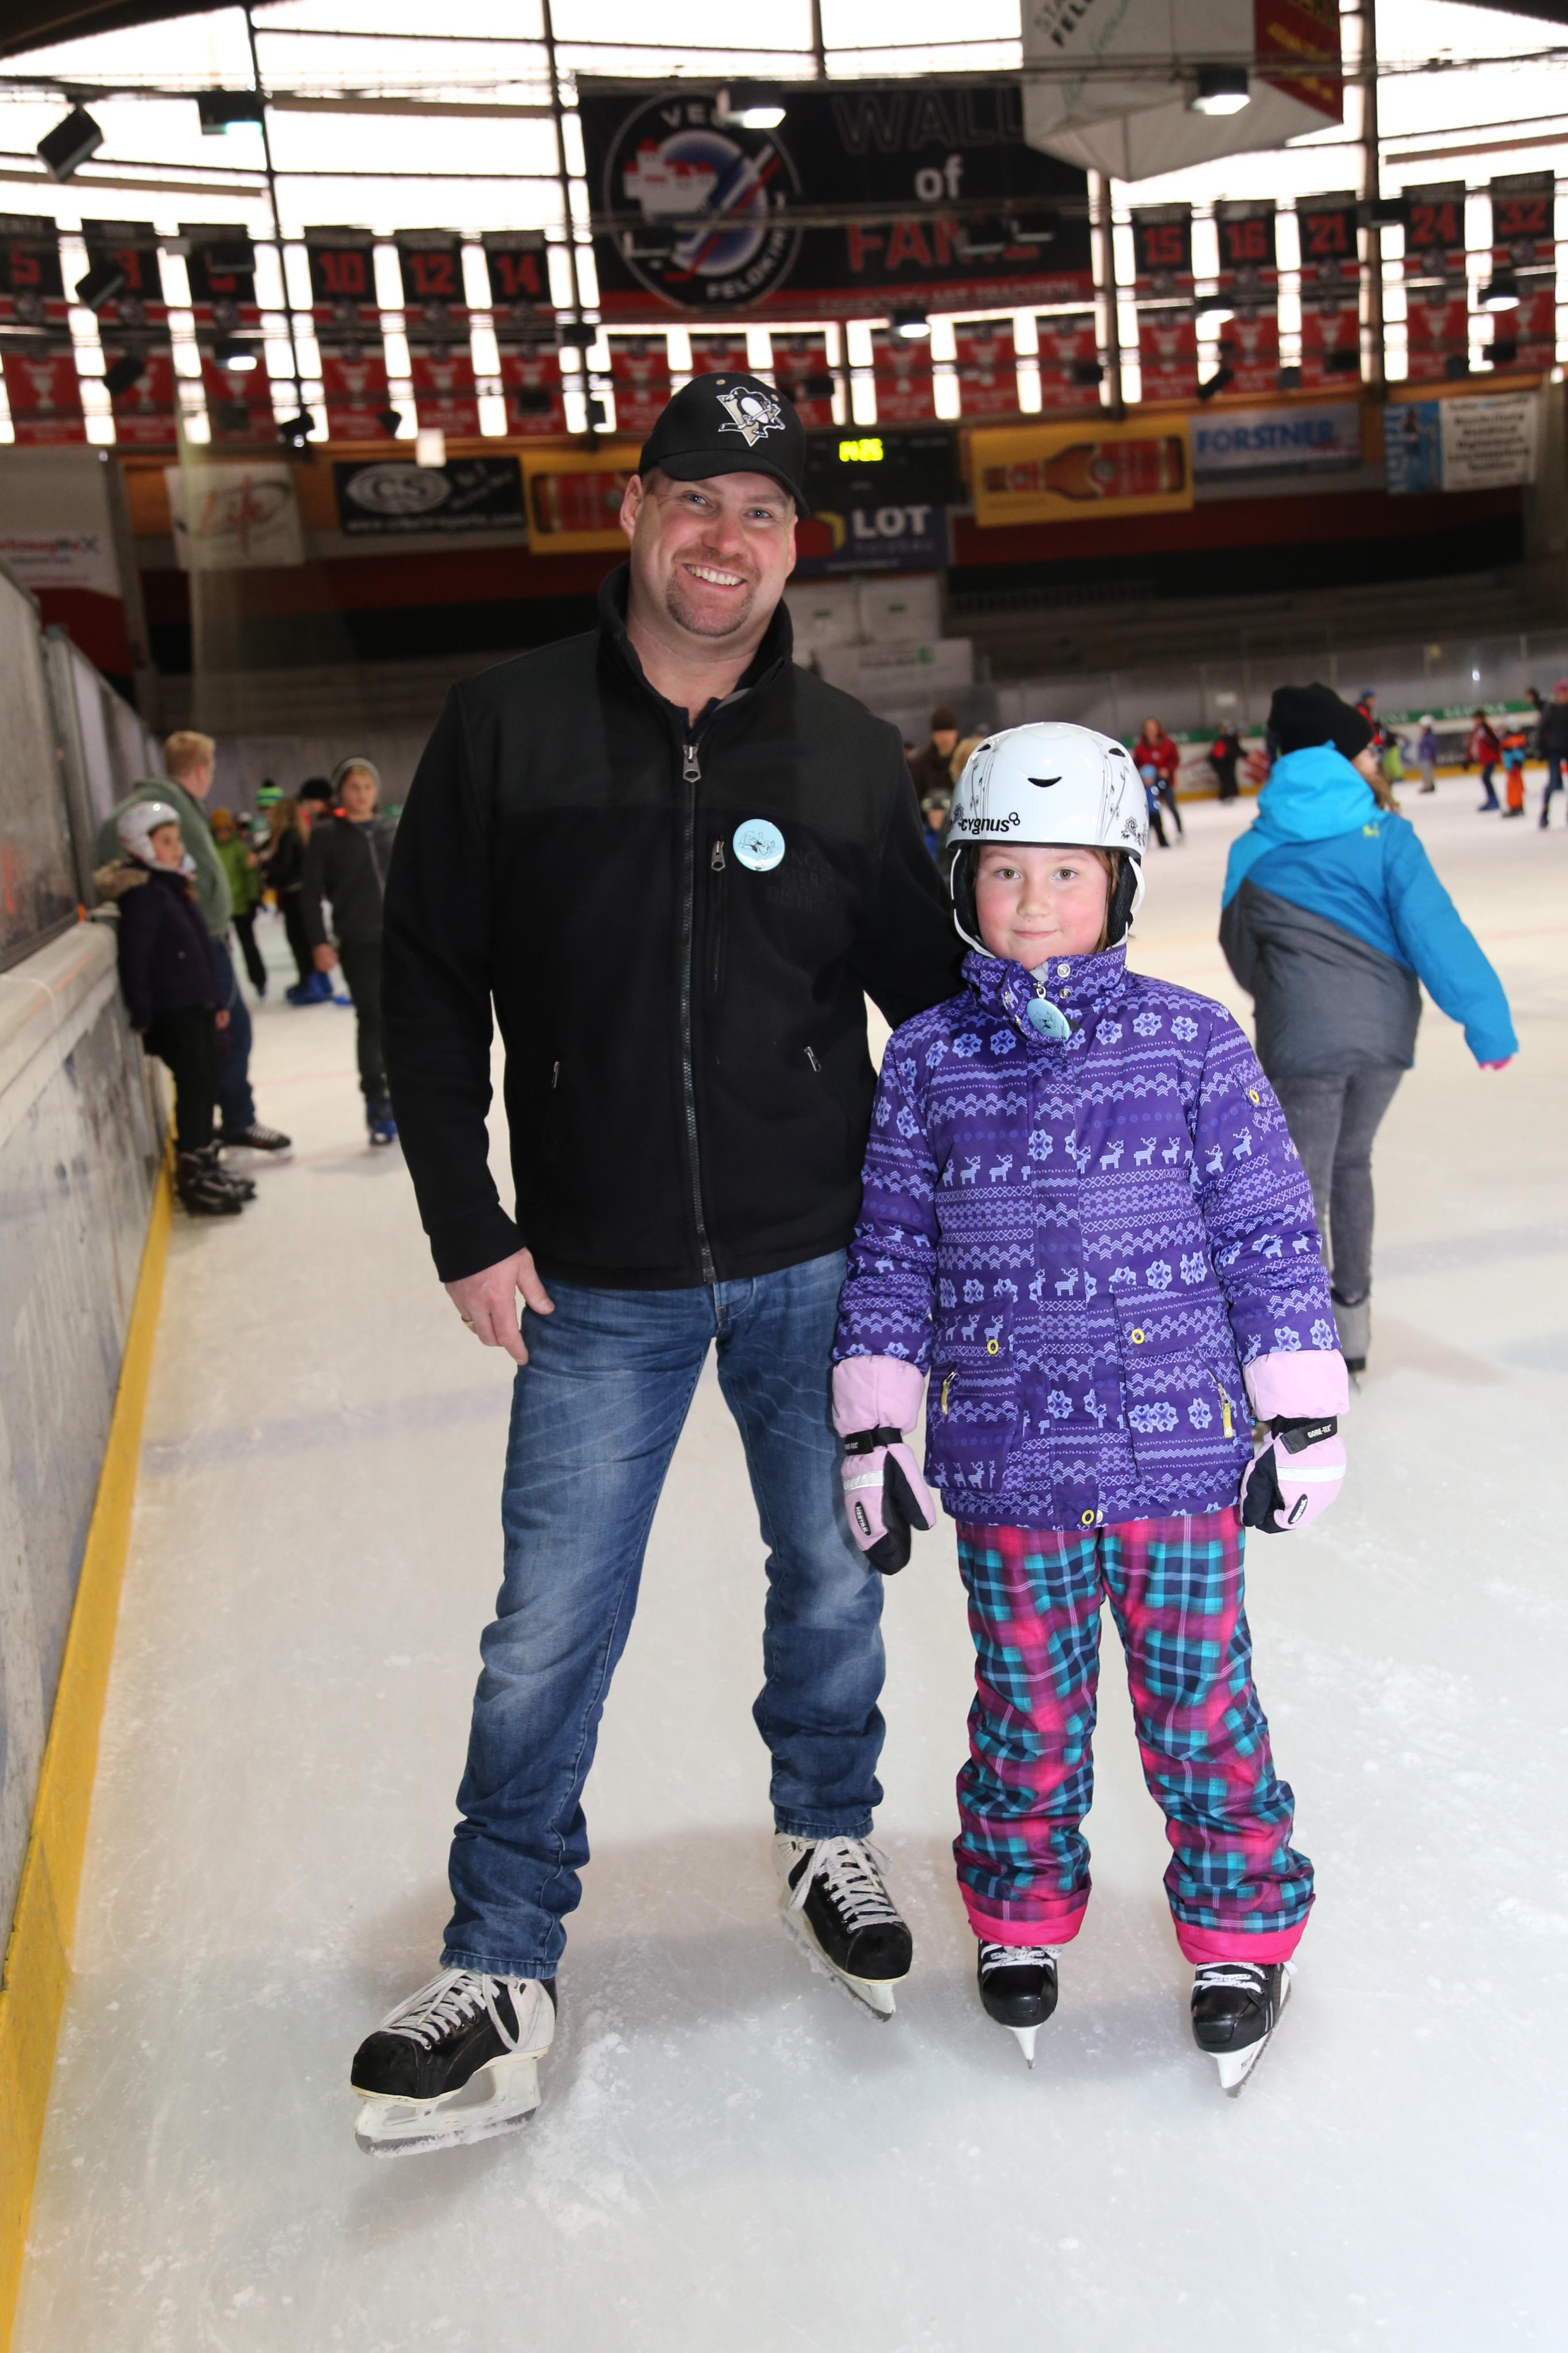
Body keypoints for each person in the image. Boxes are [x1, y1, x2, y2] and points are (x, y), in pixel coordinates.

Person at [350, 371, 961, 2157]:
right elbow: (426, 983)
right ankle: (499, 1953)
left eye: (762, 513)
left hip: (819, 1259)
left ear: (795, 546)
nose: (725, 538)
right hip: (595, 1277)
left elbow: (927, 1000)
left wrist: (1044, 1134)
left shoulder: (843, 750)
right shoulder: (507, 725)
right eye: (696, 497)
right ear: (632, 509)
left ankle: (825, 1830)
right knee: (549, 1623)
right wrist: (466, 1217)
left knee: (834, 1572)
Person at [832, 721, 1345, 2093]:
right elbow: (893, 1252)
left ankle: (1241, 1932)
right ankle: (1019, 1910)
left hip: (1178, 1455)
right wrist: (876, 1429)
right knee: (1028, 1709)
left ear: (1119, 882)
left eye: (1067, 872)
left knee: (1202, 1708)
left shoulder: (1193, 1041)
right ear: (964, 887)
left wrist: (1298, 1409)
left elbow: (1267, 1231)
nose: (1035, 902)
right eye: (1006, 873)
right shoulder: (927, 1060)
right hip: (1008, 1461)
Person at [1220, 684, 1515, 1378]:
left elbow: (1240, 950)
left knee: (1300, 1189)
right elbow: (1436, 932)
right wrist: (1487, 1022)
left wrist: (1286, 996)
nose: (1378, 759)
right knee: (1352, 1163)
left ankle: (1306, 1350)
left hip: (1299, 1041)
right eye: (1369, 750)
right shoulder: (1389, 837)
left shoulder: (1252, 849)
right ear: (1341, 756)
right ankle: (1351, 1328)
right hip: (1385, 1037)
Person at [96, 732, 292, 1162]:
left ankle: (224, 1125)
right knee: (224, 1039)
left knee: (224, 1039)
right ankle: (233, 1123)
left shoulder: (180, 804)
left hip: (199, 942)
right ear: (202, 769)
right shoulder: (158, 807)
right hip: (190, 950)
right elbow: (123, 851)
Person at [98, 800, 250, 1217]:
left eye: (176, 840)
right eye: (165, 841)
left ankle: (205, 1160)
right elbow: (136, 958)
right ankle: (193, 1173)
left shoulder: (172, 886)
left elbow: (199, 951)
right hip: (174, 1011)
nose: (175, 848)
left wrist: (215, 1002)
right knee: (195, 1088)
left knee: (205, 1084)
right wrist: (144, 1015)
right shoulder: (145, 894)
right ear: (140, 845)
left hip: (196, 1005)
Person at [300, 756, 399, 1145]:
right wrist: (318, 942)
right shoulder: (327, 836)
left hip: (402, 939)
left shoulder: (390, 828)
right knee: (373, 1018)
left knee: (405, 1018)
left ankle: (406, 1091)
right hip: (359, 941)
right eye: (354, 788)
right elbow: (310, 895)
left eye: (368, 787)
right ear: (341, 792)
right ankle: (377, 1099)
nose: (362, 794)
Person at [210, 804, 267, 995]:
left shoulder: (239, 848)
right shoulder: (211, 851)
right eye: (220, 830)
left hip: (242, 905)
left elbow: (249, 874)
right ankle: (227, 986)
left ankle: (259, 979)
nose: (223, 834)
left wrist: (253, 898)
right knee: (223, 950)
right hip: (220, 908)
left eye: (226, 830)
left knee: (249, 945)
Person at [264, 794, 318, 994]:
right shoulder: (299, 834)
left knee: (299, 939)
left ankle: (310, 983)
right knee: (303, 939)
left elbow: (284, 868)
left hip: (294, 895)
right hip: (299, 894)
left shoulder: (289, 835)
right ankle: (312, 981)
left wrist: (266, 864)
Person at [907, 705, 960, 831]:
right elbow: (914, 799)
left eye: (948, 731)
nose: (944, 737)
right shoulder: (920, 764)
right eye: (940, 732)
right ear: (933, 735)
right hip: (928, 828)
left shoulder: (967, 760)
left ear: (955, 733)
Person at [1136, 715, 1183, 842]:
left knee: (1171, 806)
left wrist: (1167, 770)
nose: (1151, 731)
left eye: (1153, 728)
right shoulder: (1140, 748)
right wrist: (1143, 774)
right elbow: (1137, 764)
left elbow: (1175, 760)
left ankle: (1180, 831)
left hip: (1165, 782)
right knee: (1150, 810)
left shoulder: (1168, 744)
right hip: (1148, 785)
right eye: (1148, 729)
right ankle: (1148, 836)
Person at [1535, 678, 1568, 828]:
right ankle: (1545, 812)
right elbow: (1542, 729)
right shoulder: (1551, 709)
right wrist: (1539, 748)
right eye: (1562, 693)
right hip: (1554, 750)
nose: (1564, 696)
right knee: (1553, 782)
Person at [1467, 709, 1500, 811]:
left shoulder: (1486, 729)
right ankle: (1492, 800)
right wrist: (1470, 759)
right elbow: (1475, 746)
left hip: (1491, 758)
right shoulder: (1478, 730)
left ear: (1481, 719)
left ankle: (1494, 801)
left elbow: (1495, 742)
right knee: (1485, 779)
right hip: (1486, 759)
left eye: (1476, 719)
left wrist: (1497, 755)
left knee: (1486, 778)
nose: (1474, 721)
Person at [1500, 718, 1530, 817]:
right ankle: (1516, 806)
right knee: (1512, 787)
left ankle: (1515, 806)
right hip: (1512, 768)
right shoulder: (1510, 740)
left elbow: (1516, 754)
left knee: (1514, 787)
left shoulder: (1512, 741)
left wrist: (1514, 764)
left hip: (1513, 768)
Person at [1209, 722, 1242, 801]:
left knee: (1228, 778)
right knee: (1227, 778)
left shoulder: (1228, 740)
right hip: (1221, 762)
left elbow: (1235, 751)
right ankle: (1228, 795)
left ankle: (1229, 794)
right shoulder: (1229, 740)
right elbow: (1233, 751)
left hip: (1223, 762)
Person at [1416, 717, 1438, 794]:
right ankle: (1428, 785)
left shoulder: (1430, 737)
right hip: (1424, 757)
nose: (1421, 729)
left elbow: (1433, 747)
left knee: (1428, 772)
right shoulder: (1424, 737)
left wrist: (1433, 756)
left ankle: (1428, 786)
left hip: (1428, 757)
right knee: (1426, 772)